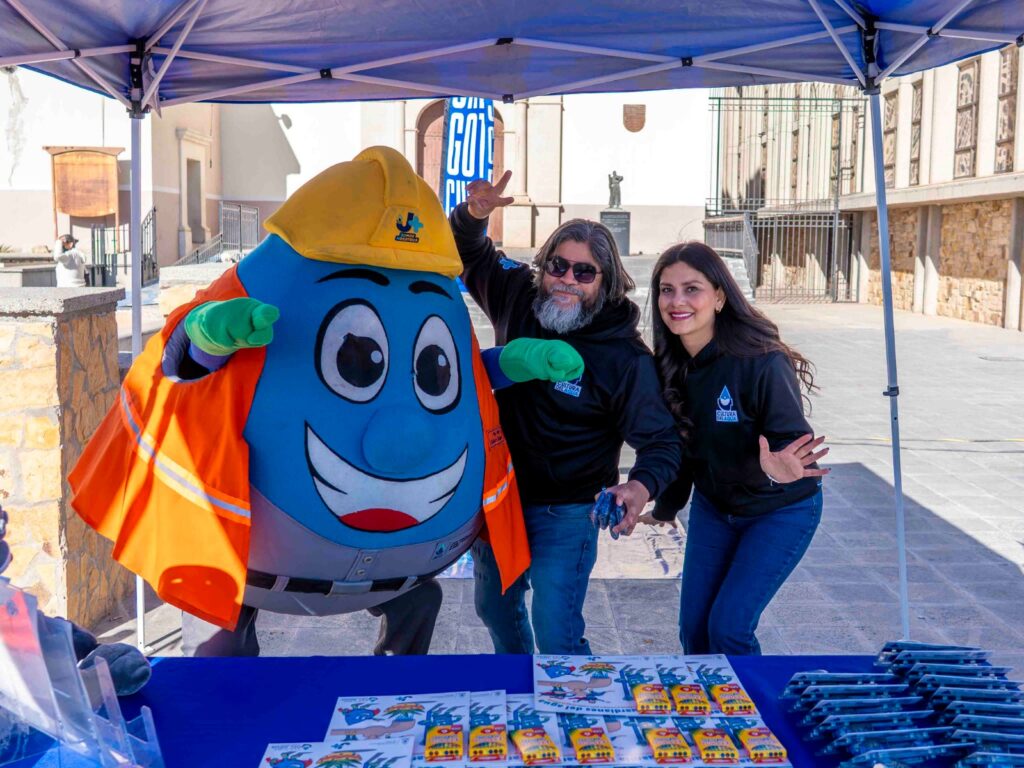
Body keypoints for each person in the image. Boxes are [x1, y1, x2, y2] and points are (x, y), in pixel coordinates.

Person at [450, 170, 682, 655]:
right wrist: (474, 215)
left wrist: (639, 487)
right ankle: (520, 684)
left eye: (584, 272)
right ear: (544, 266)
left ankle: (574, 695)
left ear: (606, 282)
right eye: (558, 266)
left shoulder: (625, 357)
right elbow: (470, 253)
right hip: (502, 497)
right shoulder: (518, 294)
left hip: (569, 510)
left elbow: (661, 442)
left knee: (555, 629)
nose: (567, 280)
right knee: (495, 609)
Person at [640, 241, 829, 655]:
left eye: (692, 289)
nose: (677, 301)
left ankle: (749, 699)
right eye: (667, 290)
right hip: (716, 508)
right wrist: (665, 509)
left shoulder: (762, 361)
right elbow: (684, 450)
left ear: (720, 297)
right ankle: (706, 700)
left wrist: (777, 469)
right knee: (695, 632)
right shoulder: (668, 366)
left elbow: (789, 443)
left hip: (779, 511)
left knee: (728, 629)